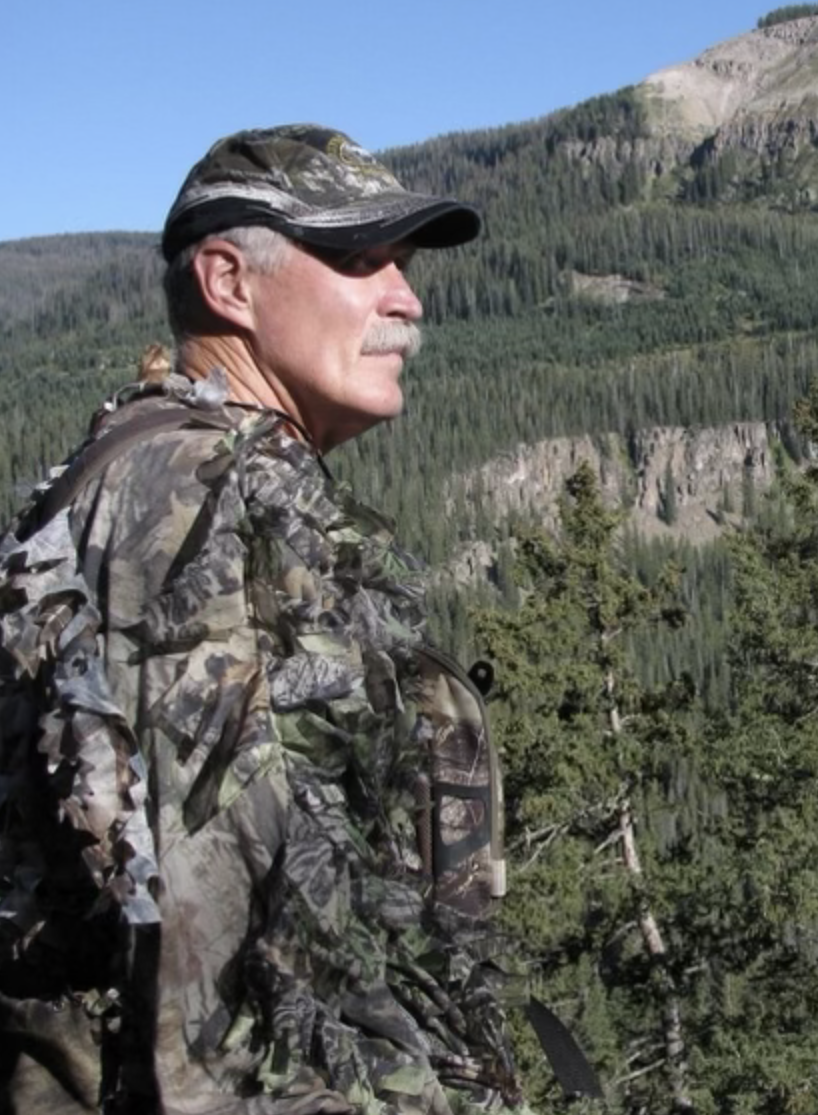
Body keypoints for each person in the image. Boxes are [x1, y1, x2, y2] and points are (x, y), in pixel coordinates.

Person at [0, 126, 520, 1114]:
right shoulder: (184, 501)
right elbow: (215, 997)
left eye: (403, 266)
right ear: (228, 282)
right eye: (359, 261)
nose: (405, 299)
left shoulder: (227, 487)